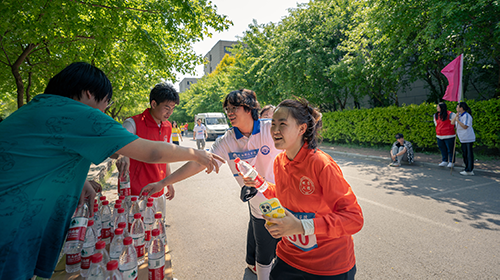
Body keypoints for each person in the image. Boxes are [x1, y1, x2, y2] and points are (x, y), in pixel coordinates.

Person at [0, 62, 223, 280]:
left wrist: (81, 182)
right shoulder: (78, 114)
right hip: (12, 226)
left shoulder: (39, 108)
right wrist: (195, 153)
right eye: (107, 101)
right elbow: (150, 152)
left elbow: (47, 156)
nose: (105, 109)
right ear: (88, 93)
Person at [141, 89, 282, 279]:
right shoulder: (227, 141)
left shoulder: (270, 129)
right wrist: (163, 183)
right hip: (259, 209)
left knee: (287, 257)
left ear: (249, 108)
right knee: (263, 258)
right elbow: (197, 163)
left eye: (234, 108)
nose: (229, 113)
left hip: (286, 204)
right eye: (227, 109)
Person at [242, 98, 363, 279]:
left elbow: (353, 219)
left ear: (301, 129)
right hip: (289, 257)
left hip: (329, 266)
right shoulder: (279, 161)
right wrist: (259, 183)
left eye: (282, 124)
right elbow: (284, 195)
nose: (274, 130)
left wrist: (301, 226)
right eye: (273, 124)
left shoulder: (321, 164)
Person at [116, 82, 179, 218]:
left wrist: (169, 182)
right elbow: (118, 145)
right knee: (135, 231)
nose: (170, 112)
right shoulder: (133, 123)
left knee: (156, 230)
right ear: (154, 104)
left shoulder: (167, 126)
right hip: (136, 192)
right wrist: (123, 154)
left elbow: (166, 157)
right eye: (167, 107)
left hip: (159, 189)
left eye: (173, 108)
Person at [451, 102, 476, 176]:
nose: (456, 108)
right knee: (465, 154)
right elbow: (452, 123)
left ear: (461, 108)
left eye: (457, 107)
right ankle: (466, 167)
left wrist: (458, 121)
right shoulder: (459, 115)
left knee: (469, 154)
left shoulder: (466, 116)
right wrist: (456, 117)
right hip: (462, 138)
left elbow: (465, 126)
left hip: (468, 138)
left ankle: (469, 170)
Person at [433, 103, 456, 168]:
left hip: (449, 135)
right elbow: (436, 124)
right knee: (442, 148)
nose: (437, 107)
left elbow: (454, 123)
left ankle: (451, 162)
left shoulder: (451, 114)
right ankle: (444, 160)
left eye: (438, 106)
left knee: (450, 149)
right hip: (439, 135)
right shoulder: (435, 115)